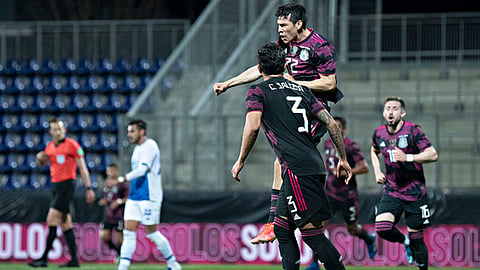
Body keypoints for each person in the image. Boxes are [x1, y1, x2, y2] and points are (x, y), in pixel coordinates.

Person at [214, 2, 343, 245]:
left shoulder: (320, 46)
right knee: (283, 161)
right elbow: (260, 69)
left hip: (314, 111)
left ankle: (275, 221)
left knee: (282, 159)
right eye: (278, 25)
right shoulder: (282, 45)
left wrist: (295, 83)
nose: (280, 29)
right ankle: (284, 218)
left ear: (299, 24)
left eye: (284, 25)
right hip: (291, 109)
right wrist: (228, 83)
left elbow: (329, 84)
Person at [232, 42, 351, 270]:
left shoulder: (258, 91)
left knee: (313, 235)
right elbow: (332, 124)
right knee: (282, 230)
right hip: (311, 165)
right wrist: (343, 159)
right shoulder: (302, 89)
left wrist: (241, 160)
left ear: (259, 68)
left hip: (297, 171)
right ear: (285, 64)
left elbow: (253, 126)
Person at [371, 96, 438, 270]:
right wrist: (377, 171)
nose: (390, 111)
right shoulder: (379, 133)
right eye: (387, 108)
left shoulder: (413, 131)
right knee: (382, 228)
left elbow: (432, 154)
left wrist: (408, 157)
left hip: (415, 192)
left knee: (417, 238)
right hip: (392, 190)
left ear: (402, 112)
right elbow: (374, 150)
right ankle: (404, 241)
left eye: (394, 108)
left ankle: (422, 266)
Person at [306, 116, 376, 270]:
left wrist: (349, 171)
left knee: (352, 228)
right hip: (330, 192)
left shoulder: (350, 146)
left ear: (344, 129)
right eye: (333, 126)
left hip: (347, 195)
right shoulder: (327, 144)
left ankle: (369, 239)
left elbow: (364, 167)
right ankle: (314, 263)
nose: (334, 129)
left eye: (338, 127)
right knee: (319, 228)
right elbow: (328, 163)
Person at [28, 117, 95, 268]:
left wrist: (89, 187)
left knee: (51, 219)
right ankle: (74, 261)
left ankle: (43, 259)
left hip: (67, 186)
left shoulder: (72, 145)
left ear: (64, 130)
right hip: (55, 186)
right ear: (50, 131)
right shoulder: (50, 147)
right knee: (66, 223)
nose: (58, 132)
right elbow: (42, 162)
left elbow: (82, 167)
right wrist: (39, 158)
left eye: (60, 129)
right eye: (55, 129)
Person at [116, 119, 181, 270]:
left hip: (149, 198)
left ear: (142, 131)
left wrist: (121, 179)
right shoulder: (137, 149)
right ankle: (123, 267)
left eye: (132, 131)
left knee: (151, 233)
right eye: (128, 132)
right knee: (128, 232)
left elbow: (142, 170)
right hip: (134, 197)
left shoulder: (150, 146)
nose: (129, 135)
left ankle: (173, 263)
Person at [98, 163, 129, 260]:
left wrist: (118, 201)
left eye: (112, 170)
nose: (110, 173)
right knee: (104, 236)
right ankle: (118, 252)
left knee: (119, 238)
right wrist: (105, 200)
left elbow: (127, 197)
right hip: (108, 215)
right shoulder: (106, 184)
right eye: (108, 171)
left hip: (119, 214)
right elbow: (109, 196)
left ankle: (121, 255)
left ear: (116, 171)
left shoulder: (121, 184)